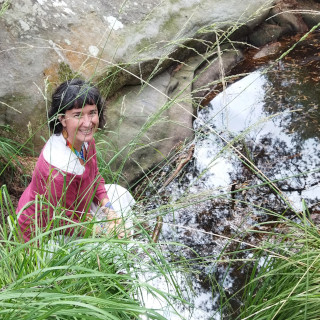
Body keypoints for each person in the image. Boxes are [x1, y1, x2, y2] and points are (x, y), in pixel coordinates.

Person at [17, 79, 135, 243]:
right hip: (45, 232)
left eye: (92, 112)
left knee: (118, 195)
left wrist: (110, 211)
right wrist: (105, 230)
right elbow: (61, 222)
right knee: (110, 241)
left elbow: (94, 178)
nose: (88, 123)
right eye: (78, 115)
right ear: (62, 120)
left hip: (76, 212)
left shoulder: (85, 142)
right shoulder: (57, 170)